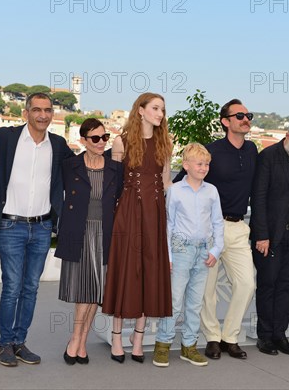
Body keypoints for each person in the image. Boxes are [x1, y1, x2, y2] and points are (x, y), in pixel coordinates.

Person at [0, 92, 74, 366]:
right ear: (26, 112)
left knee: (31, 288)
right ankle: (5, 344)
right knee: (12, 287)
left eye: (47, 110)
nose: (43, 115)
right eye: (37, 109)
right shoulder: (7, 138)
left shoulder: (58, 145)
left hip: (41, 228)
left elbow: (83, 166)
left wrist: (115, 150)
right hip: (10, 225)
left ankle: (19, 342)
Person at [173, 99, 257, 360]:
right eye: (240, 115)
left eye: (248, 115)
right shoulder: (211, 152)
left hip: (238, 227)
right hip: (209, 231)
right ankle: (211, 337)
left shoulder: (253, 150)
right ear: (226, 121)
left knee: (246, 284)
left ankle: (229, 337)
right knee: (206, 289)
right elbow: (180, 185)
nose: (246, 119)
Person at [101, 92, 173, 364]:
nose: (160, 114)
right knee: (126, 270)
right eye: (155, 108)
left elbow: (166, 183)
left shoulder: (165, 143)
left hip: (154, 213)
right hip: (128, 212)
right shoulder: (121, 141)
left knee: (150, 273)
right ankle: (117, 338)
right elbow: (113, 184)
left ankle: (139, 338)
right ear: (140, 110)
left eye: (163, 110)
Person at [55, 118, 124, 365]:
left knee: (96, 290)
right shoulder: (70, 165)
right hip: (78, 231)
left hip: (104, 233)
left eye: (104, 137)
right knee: (84, 290)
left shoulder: (116, 168)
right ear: (83, 140)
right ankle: (77, 338)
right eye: (95, 138)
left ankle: (79, 340)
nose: (101, 142)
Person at [153, 143, 224, 368]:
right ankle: (163, 345)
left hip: (204, 251)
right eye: (199, 164)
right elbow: (168, 224)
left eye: (207, 164)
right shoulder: (175, 191)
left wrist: (216, 249)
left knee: (195, 303)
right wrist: (169, 256)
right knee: (174, 301)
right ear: (186, 165)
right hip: (180, 250)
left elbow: (217, 222)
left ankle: (189, 346)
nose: (204, 168)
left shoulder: (212, 191)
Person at [250, 119, 289, 356]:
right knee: (268, 285)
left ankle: (280, 335)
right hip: (270, 236)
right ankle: (265, 336)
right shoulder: (268, 157)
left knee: (286, 286)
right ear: (288, 136)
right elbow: (258, 198)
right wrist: (262, 235)